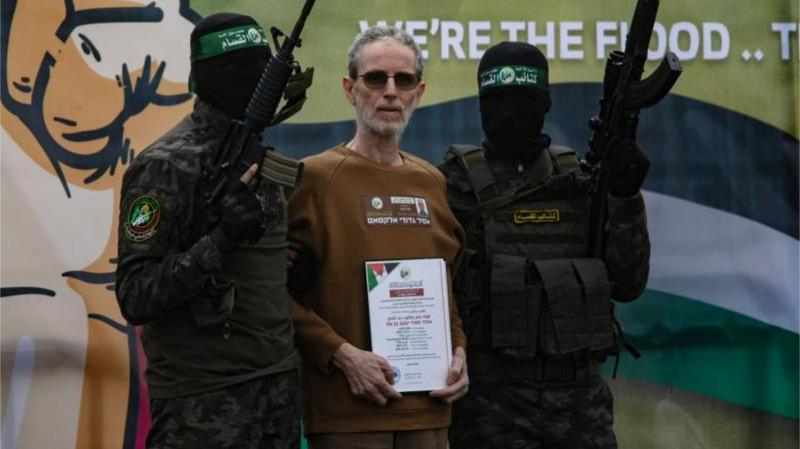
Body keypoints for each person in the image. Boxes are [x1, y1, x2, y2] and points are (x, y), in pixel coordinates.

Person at [438, 41, 651, 449]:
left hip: (578, 407)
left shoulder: (581, 180)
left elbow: (628, 284)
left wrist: (625, 199)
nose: (509, 113)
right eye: (497, 101)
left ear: (546, 103)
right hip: (487, 408)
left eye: (523, 99)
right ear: (480, 105)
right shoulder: (451, 184)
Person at [115, 12, 300, 449]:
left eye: (262, 67)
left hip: (277, 390)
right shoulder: (164, 166)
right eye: (240, 70)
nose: (255, 79)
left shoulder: (258, 152)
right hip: (201, 404)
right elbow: (136, 294)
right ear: (206, 79)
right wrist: (219, 241)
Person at [287, 26, 469, 449]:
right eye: (375, 79)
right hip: (347, 413)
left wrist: (458, 351)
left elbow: (447, 291)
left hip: (428, 407)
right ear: (350, 89)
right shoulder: (313, 178)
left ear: (418, 92)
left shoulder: (431, 182)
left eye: (403, 80)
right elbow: (271, 293)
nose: (390, 91)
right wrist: (340, 354)